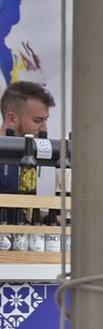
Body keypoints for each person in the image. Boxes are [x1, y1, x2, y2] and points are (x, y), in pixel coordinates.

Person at [1, 80, 52, 229]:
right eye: (38, 120)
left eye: (45, 120)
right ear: (11, 118)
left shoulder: (45, 156)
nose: (44, 128)